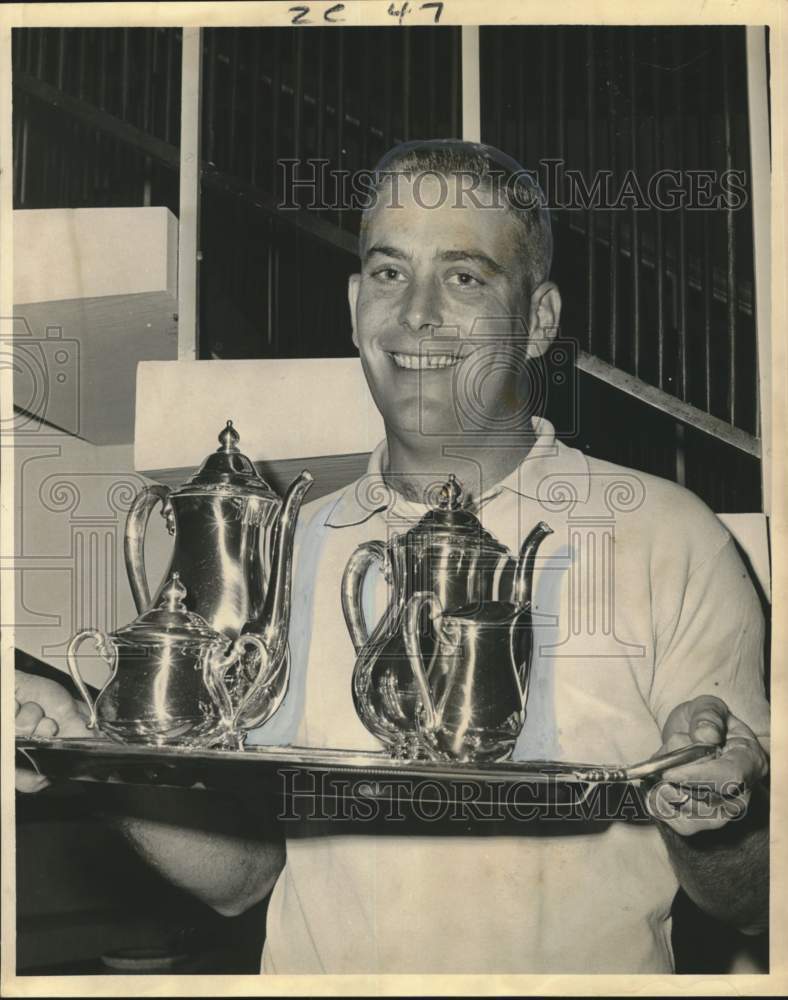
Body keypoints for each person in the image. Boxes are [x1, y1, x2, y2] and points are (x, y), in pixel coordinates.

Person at [15, 140, 769, 974]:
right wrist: (91, 751)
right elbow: (238, 876)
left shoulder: (668, 535)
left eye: (465, 276)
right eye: (387, 272)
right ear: (353, 304)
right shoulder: (280, 544)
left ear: (540, 321)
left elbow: (750, 898)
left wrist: (719, 813)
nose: (416, 313)